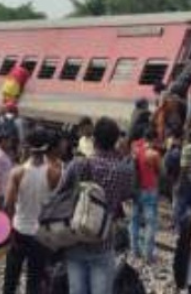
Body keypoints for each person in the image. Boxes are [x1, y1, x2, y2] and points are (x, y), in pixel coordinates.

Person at [59, 117, 134, 294]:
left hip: (75, 239)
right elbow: (126, 196)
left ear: (94, 138)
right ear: (115, 141)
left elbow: (61, 193)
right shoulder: (123, 170)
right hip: (104, 242)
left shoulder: (78, 164)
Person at [3, 128, 62, 294]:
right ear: (47, 147)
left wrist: (9, 229)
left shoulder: (17, 172)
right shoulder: (54, 173)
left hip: (19, 229)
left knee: (11, 276)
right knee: (34, 279)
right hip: (41, 234)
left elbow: (8, 204)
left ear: (28, 146)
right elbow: (56, 203)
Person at [129, 127, 162, 263]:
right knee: (150, 223)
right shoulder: (153, 154)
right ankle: (148, 255)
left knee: (135, 220)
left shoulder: (135, 149)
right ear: (154, 139)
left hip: (137, 190)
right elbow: (160, 171)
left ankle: (135, 251)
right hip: (150, 191)